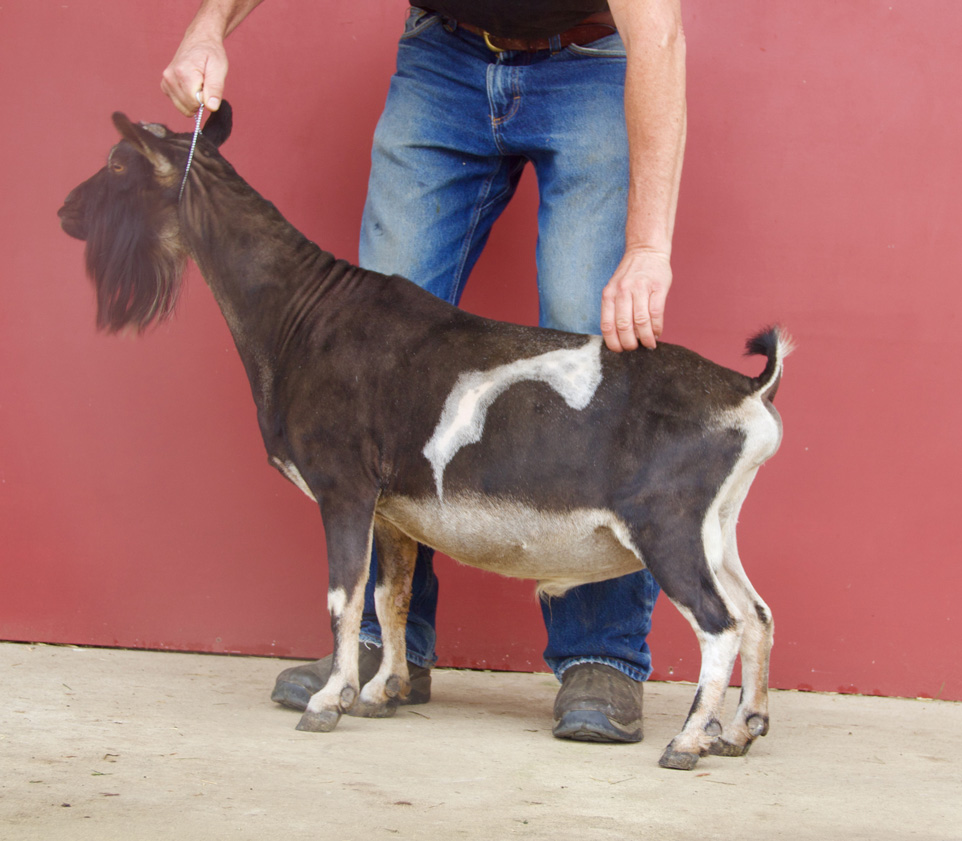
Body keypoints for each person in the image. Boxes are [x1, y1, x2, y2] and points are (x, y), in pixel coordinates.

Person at [162, 0, 686, 743]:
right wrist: (208, 26)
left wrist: (648, 246)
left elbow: (659, 33)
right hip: (443, 61)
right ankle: (381, 642)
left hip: (593, 65)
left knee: (586, 343)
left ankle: (600, 653)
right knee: (365, 361)